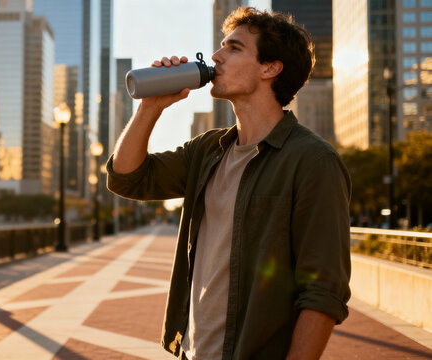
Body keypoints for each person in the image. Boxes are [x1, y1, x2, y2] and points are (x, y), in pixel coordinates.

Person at [106, 6, 351, 360]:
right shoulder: (207, 150)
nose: (217, 57)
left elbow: (323, 290)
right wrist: (149, 108)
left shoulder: (313, 161)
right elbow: (127, 179)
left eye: (233, 48)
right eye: (221, 46)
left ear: (270, 68)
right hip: (193, 351)